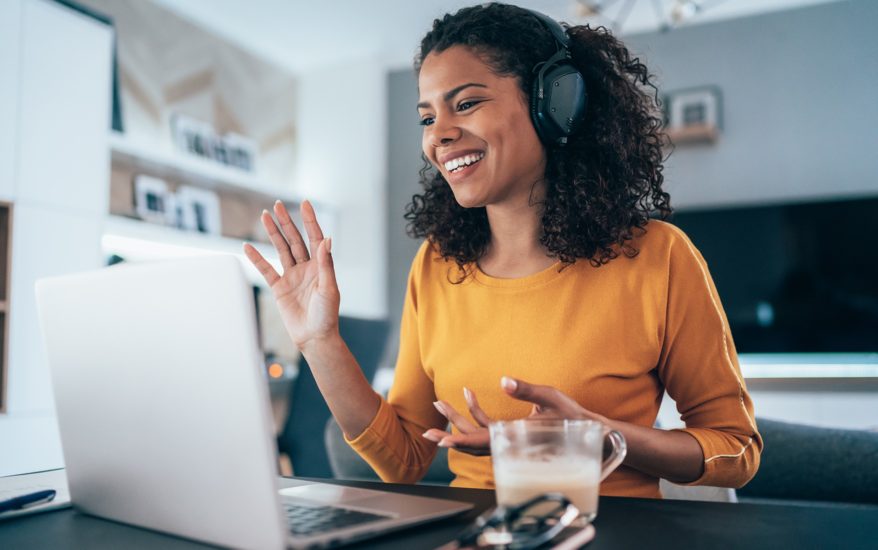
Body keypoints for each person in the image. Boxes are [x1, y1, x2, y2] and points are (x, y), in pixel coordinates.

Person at [243, 3, 762, 499]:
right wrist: (320, 341)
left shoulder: (659, 257)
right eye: (427, 118)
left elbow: (736, 450)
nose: (440, 136)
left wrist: (601, 436)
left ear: (556, 104)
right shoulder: (438, 264)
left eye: (466, 103)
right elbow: (403, 460)